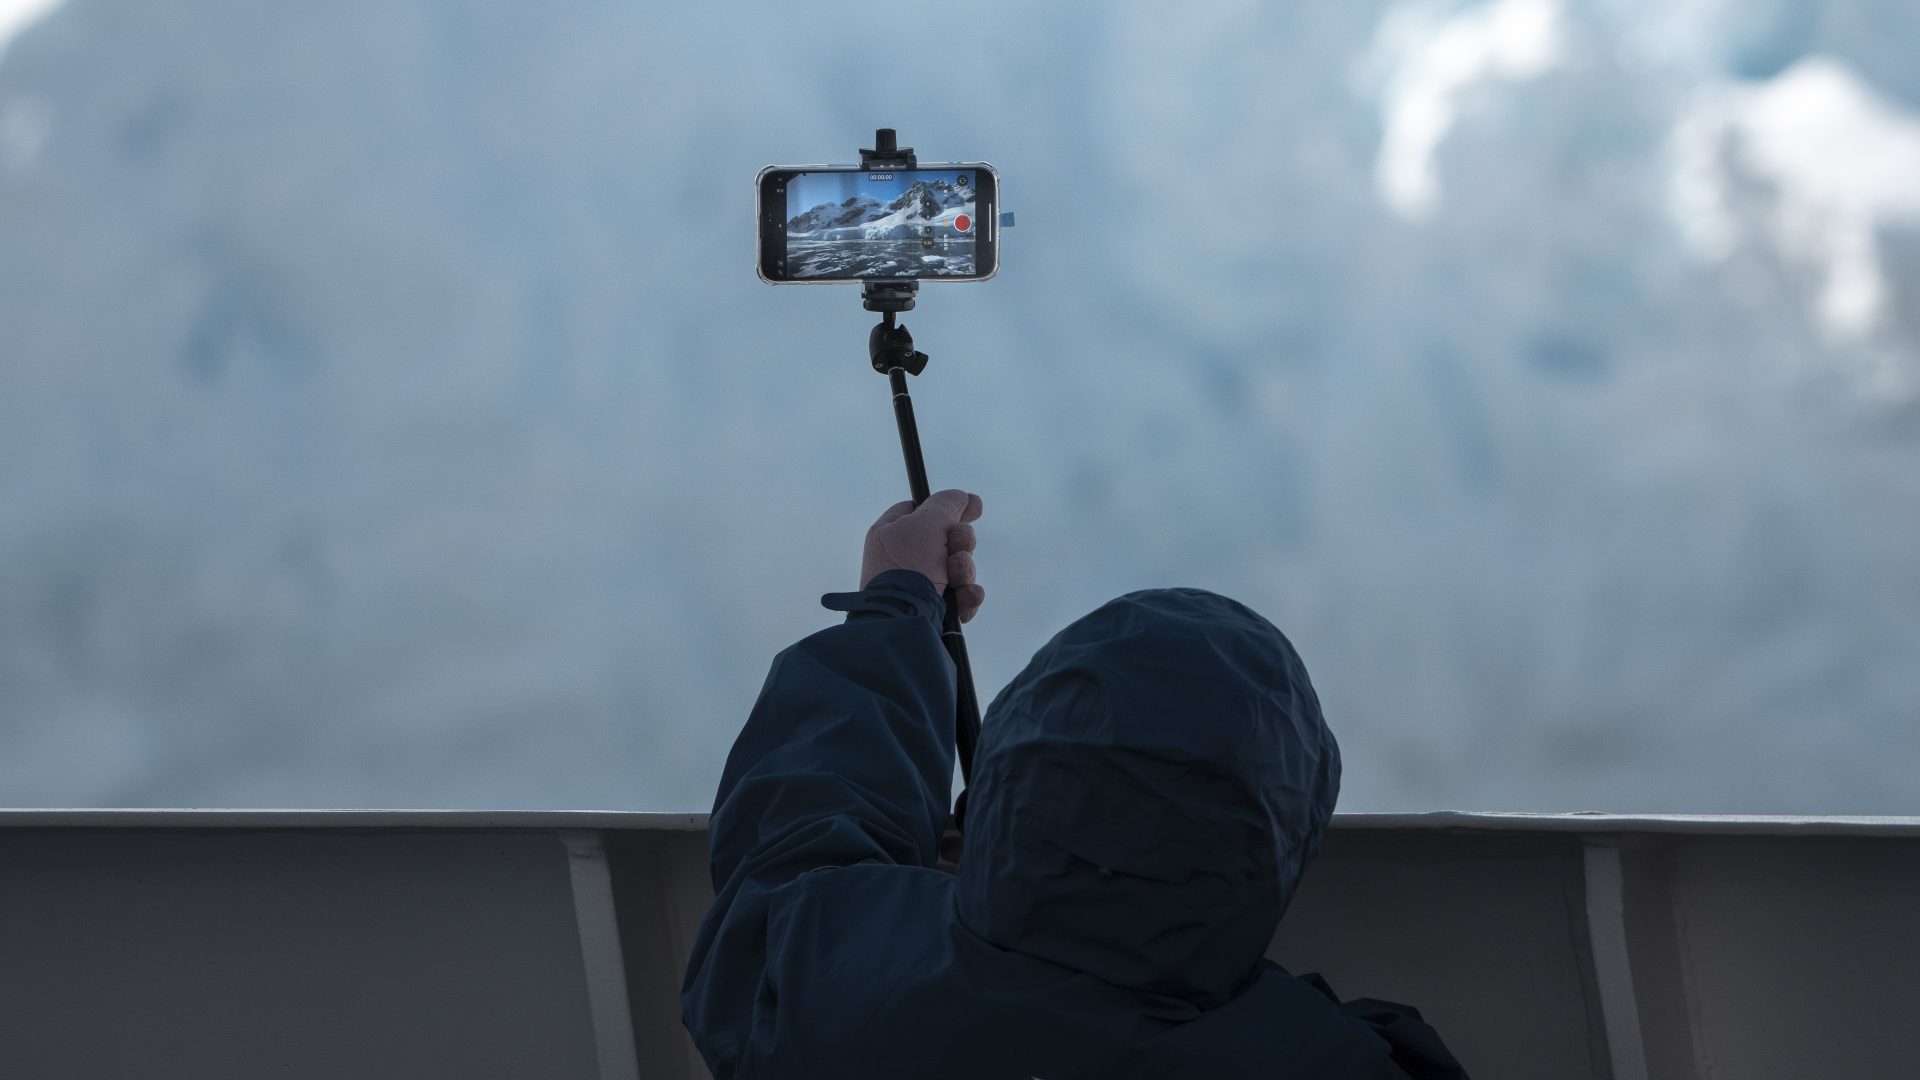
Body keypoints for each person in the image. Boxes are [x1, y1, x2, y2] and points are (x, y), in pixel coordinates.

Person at [681, 490, 1467, 1078]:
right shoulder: (1330, 1060)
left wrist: (896, 598)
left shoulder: (820, 993)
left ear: (1009, 778)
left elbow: (791, 836)